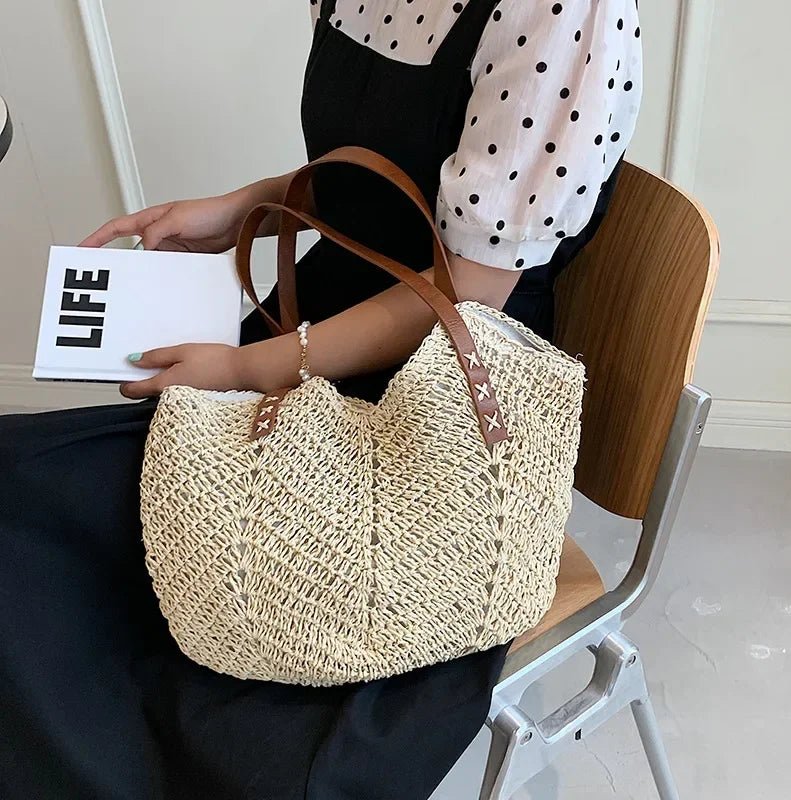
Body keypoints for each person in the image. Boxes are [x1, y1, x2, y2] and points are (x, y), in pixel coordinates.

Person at [0, 2, 642, 797]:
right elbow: (376, 175)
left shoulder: (566, 13)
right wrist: (240, 209)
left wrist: (248, 368)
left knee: (54, 553)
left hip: (431, 399)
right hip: (308, 331)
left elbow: (472, 289)